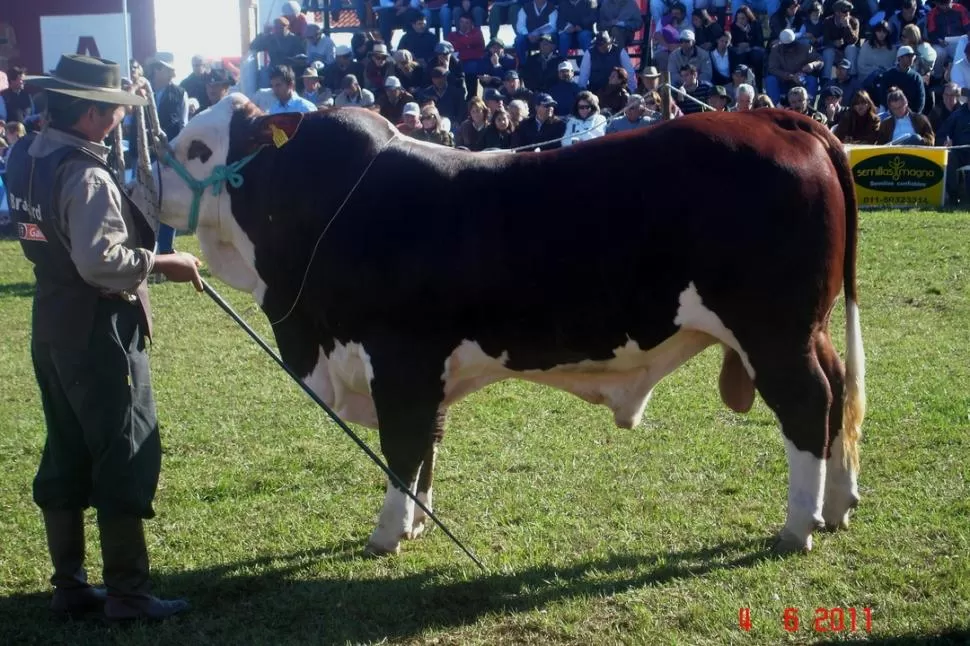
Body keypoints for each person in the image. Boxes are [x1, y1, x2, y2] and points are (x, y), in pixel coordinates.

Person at [6, 54, 202, 621]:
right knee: (123, 450)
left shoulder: (25, 153)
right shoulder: (85, 174)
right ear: (91, 114)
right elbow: (101, 261)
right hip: (98, 330)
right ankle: (129, 593)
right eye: (115, 110)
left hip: (51, 322)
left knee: (66, 448)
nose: (120, 118)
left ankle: (69, 585)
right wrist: (163, 261)